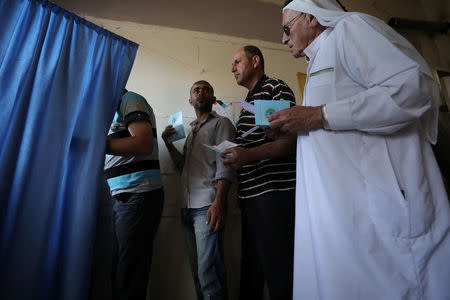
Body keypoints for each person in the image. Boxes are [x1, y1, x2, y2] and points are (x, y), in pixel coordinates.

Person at [269, 0, 450, 299]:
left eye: (287, 29)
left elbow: (411, 90)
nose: (284, 38)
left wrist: (319, 115)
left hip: (380, 205)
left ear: (312, 17)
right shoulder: (318, 60)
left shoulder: (350, 30)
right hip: (342, 215)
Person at [221, 45, 297, 300]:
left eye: (236, 62)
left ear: (255, 61)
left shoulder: (275, 88)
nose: (232, 68)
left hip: (274, 195)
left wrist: (247, 155)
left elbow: (289, 143)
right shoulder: (248, 104)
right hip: (251, 198)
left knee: (279, 271)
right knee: (252, 269)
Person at [162, 80, 236, 300]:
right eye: (196, 90)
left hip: (207, 207)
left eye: (206, 89)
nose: (201, 92)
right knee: (199, 273)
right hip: (187, 208)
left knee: (208, 275)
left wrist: (219, 203)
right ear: (190, 100)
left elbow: (226, 165)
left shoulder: (222, 124)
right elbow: (181, 166)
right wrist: (168, 144)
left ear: (213, 98)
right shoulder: (192, 130)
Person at [104, 90, 164, 300]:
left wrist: (98, 145)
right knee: (120, 272)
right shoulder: (112, 108)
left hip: (138, 194)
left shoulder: (130, 100)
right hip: (124, 197)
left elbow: (143, 143)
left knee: (129, 275)